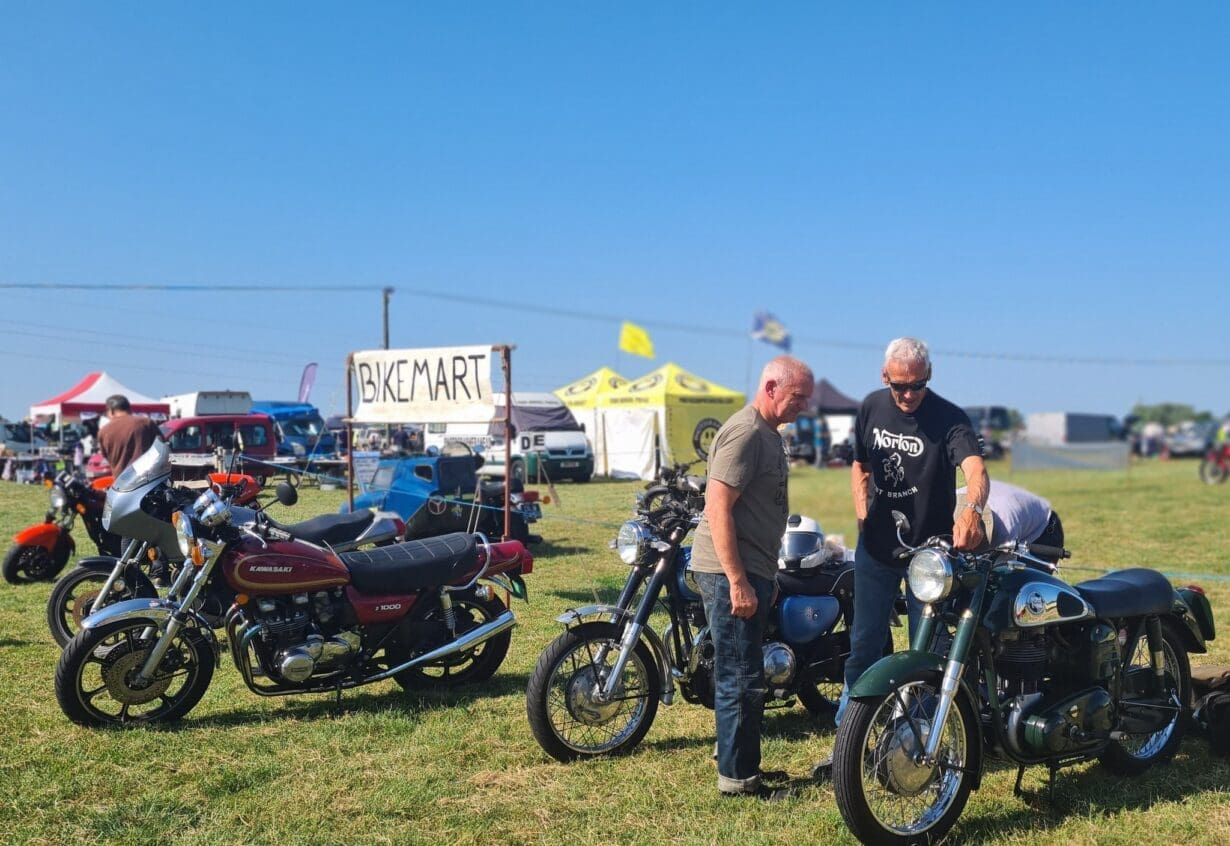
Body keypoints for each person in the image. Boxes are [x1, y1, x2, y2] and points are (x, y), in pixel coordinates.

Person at [815, 338, 988, 777]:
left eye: (918, 386)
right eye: (900, 387)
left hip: (928, 555)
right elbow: (860, 465)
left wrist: (970, 508)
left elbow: (975, 469)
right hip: (876, 549)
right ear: (884, 377)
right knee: (863, 644)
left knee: (926, 649)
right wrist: (861, 511)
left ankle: (921, 742)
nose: (909, 396)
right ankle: (847, 739)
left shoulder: (948, 417)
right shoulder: (871, 407)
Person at [689, 355, 815, 799]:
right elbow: (717, 508)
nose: (803, 407)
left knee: (745, 673)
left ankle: (744, 766)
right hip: (729, 573)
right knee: (741, 676)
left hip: (750, 569)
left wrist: (765, 572)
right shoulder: (746, 433)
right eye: (798, 397)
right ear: (771, 387)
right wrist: (739, 580)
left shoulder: (769, 433)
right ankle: (739, 782)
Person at [959, 479, 1064, 555]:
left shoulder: (1004, 530)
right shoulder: (950, 502)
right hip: (1012, 511)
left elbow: (1004, 569)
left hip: (1044, 531)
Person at [98, 394, 162, 477]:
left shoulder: (104, 431)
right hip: (147, 479)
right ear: (129, 409)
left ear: (111, 411)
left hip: (121, 482)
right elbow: (161, 446)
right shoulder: (146, 423)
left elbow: (106, 455)